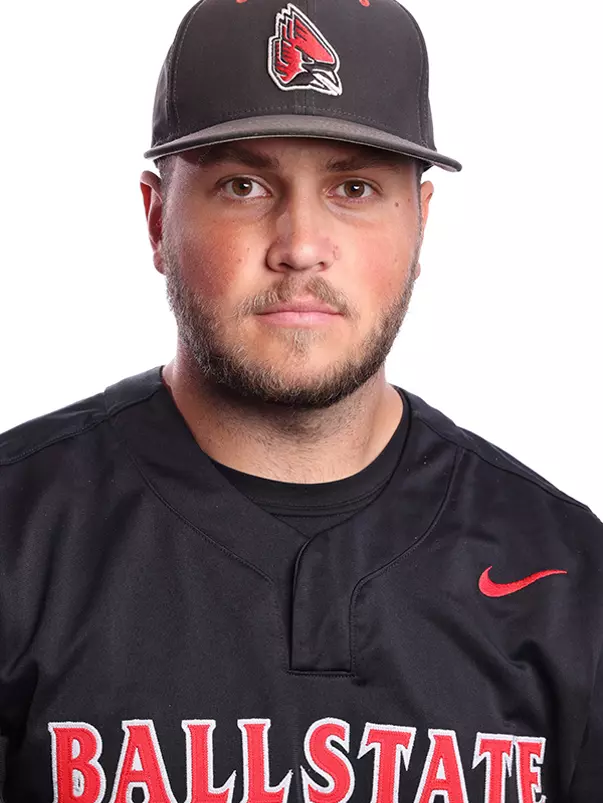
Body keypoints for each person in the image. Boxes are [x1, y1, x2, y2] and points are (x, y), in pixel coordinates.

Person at [0, 0, 601, 800]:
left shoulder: (565, 574)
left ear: (420, 225)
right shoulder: (17, 534)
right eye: (244, 184)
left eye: (353, 186)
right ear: (155, 219)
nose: (299, 245)